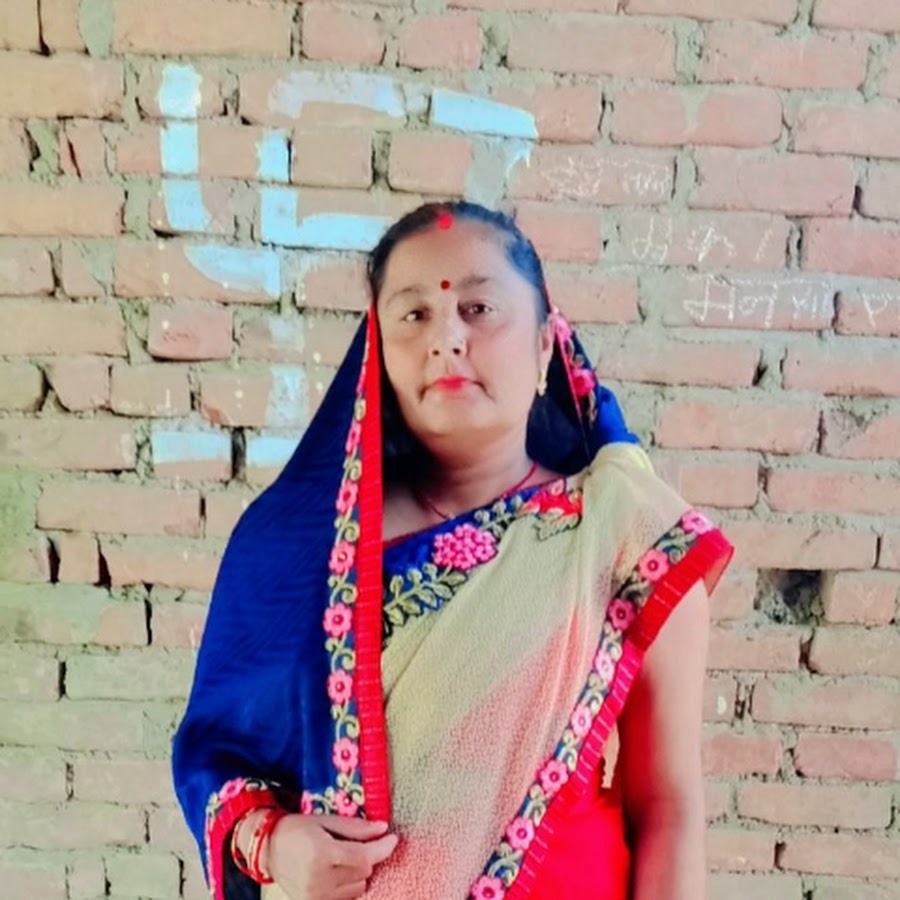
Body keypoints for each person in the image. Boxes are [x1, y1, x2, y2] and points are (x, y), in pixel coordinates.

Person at [172, 201, 734, 900]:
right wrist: (273, 843)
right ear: (378, 353)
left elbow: (668, 808)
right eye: (414, 315)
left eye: (478, 308)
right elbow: (218, 750)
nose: (446, 338)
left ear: (544, 346)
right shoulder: (293, 549)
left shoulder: (626, 531)